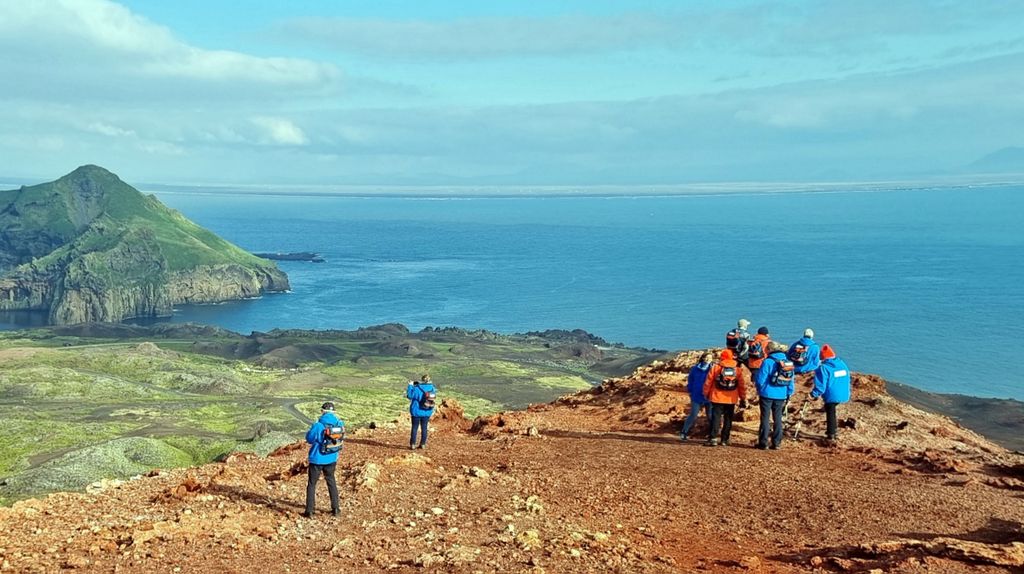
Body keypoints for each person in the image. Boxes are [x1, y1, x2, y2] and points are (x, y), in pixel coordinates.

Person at [303, 401, 343, 518]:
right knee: (331, 481)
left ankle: (310, 511)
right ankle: (335, 509)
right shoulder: (339, 423)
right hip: (332, 457)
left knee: (312, 484)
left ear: (322, 411)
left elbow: (309, 439)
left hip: (317, 459)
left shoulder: (318, 425)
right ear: (333, 412)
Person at [702, 349, 748, 446]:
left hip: (717, 397)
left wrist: (705, 393)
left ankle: (713, 438)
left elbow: (708, 382)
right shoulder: (737, 369)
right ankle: (725, 439)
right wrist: (743, 398)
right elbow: (741, 385)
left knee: (716, 418)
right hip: (731, 398)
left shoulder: (716, 368)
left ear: (722, 357)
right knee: (728, 419)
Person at [754, 343, 796, 450]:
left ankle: (763, 442)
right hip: (781, 394)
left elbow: (760, 380)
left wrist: (759, 389)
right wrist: (789, 392)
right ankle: (776, 443)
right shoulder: (787, 363)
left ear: (769, 350)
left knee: (765, 418)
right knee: (777, 419)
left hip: (766, 394)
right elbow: (791, 380)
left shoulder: (767, 362)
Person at [811, 344, 851, 444]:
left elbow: (821, 386)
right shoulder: (842, 364)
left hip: (832, 394)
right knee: (831, 410)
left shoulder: (824, 368)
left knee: (830, 411)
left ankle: (831, 434)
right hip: (844, 393)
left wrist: (813, 394)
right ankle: (833, 432)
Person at [680, 353, 713, 441]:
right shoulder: (695, 369)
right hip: (696, 395)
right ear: (703, 358)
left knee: (710, 416)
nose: (708, 359)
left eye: (710, 358)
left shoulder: (713, 369)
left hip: (709, 396)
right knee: (693, 414)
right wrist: (690, 391)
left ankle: (712, 435)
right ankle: (684, 432)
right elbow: (690, 380)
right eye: (707, 357)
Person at [406, 374, 437, 450]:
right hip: (427, 411)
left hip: (416, 411)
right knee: (424, 428)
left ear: (422, 380)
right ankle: (423, 444)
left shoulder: (416, 388)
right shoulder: (432, 388)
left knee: (414, 427)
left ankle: (413, 444)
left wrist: (410, 386)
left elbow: (410, 396)